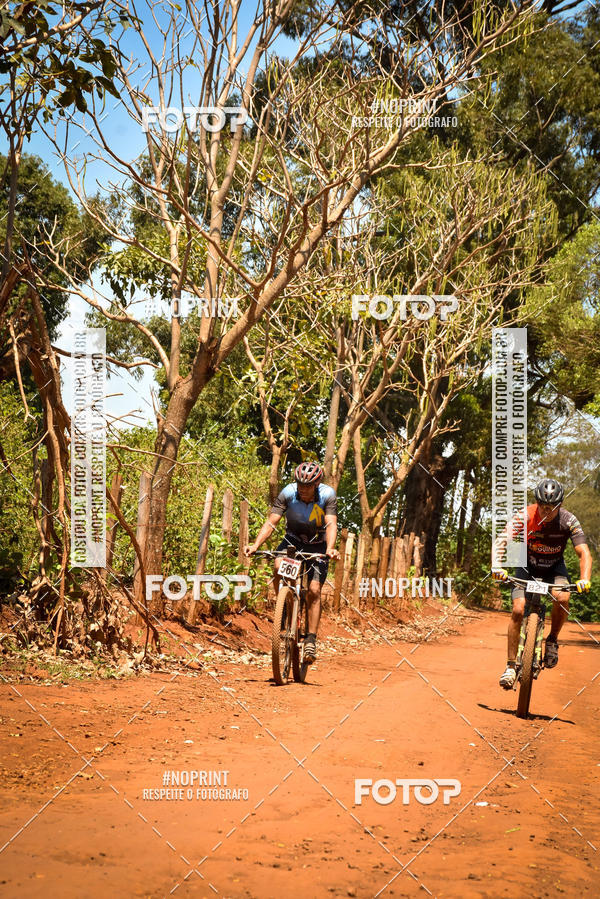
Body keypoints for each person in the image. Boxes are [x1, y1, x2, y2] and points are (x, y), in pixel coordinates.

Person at [492, 477, 592, 689]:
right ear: (537, 503)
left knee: (563, 596)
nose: (546, 512)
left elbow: (584, 553)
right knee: (518, 610)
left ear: (560, 505)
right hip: (526, 567)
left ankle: (552, 640)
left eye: (552, 508)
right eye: (543, 507)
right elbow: (502, 540)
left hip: (554, 569)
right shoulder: (525, 515)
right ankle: (510, 666)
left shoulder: (569, 520)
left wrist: (585, 578)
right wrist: (496, 566)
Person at [245, 461, 340, 663]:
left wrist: (330, 548)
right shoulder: (287, 493)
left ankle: (311, 640)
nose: (302, 489)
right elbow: (271, 522)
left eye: (307, 486)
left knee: (314, 590)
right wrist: (255, 545)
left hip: (318, 544)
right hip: (293, 540)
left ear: (316, 485)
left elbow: (331, 523)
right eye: (300, 485)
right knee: (278, 566)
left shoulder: (327, 495)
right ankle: (285, 604)